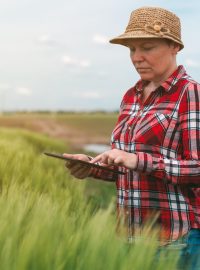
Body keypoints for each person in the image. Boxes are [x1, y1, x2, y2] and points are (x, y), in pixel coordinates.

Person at [64, 6, 200, 269]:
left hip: (175, 240)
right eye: (131, 50)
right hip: (128, 238)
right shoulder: (131, 96)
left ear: (174, 46)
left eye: (147, 47)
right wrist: (92, 166)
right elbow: (124, 167)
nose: (137, 57)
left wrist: (138, 160)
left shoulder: (190, 94)